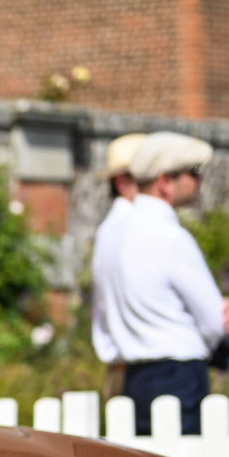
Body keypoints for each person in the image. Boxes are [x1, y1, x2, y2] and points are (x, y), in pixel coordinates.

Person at [93, 131, 229, 435]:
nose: (199, 181)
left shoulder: (113, 233)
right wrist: (215, 332)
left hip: (135, 377)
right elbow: (213, 321)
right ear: (165, 182)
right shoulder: (170, 235)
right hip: (178, 376)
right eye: (193, 173)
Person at [90, 132, 146, 390]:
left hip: (122, 366)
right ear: (123, 183)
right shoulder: (132, 229)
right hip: (139, 366)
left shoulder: (108, 230)